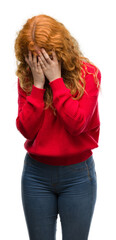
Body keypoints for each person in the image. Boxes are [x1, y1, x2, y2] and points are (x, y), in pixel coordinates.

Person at [14, 14, 101, 240]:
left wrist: (56, 81)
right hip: (36, 175)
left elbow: (77, 125)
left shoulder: (88, 74)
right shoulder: (28, 76)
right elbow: (26, 129)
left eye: (46, 56)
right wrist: (37, 86)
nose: (39, 62)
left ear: (60, 50)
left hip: (78, 176)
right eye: (34, 57)